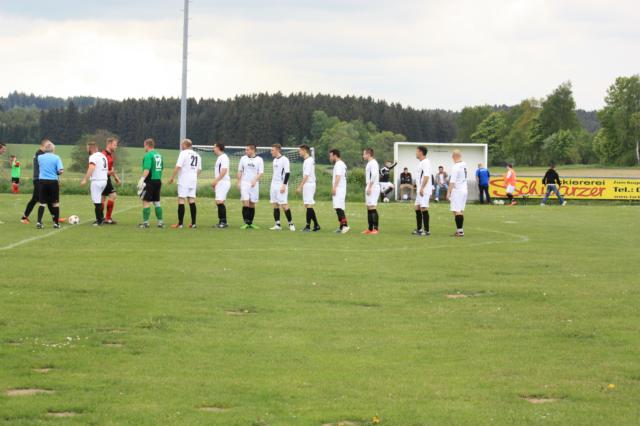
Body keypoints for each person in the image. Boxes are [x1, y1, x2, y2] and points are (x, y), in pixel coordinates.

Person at [168, 139, 202, 228]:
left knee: (181, 199)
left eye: (182, 144)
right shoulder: (197, 155)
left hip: (184, 179)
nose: (181, 146)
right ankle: (193, 223)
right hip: (193, 180)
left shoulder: (183, 153)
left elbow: (178, 166)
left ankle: (180, 224)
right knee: (191, 200)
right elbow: (199, 170)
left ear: (184, 145)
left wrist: (172, 177)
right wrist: (194, 177)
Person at [36, 141, 64, 229]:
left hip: (42, 181)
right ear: (53, 150)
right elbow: (60, 171)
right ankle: (56, 223)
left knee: (42, 203)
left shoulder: (40, 157)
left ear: (45, 149)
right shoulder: (56, 157)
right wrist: (56, 173)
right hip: (53, 182)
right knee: (55, 203)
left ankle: (39, 222)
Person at [137, 138, 164, 228]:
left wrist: (142, 179)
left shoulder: (148, 155)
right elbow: (161, 169)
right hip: (158, 181)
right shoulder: (159, 155)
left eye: (144, 145)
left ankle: (146, 223)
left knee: (146, 201)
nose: (144, 147)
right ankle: (160, 223)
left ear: (147, 145)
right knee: (157, 202)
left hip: (150, 181)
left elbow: (147, 169)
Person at [80, 142, 109, 225]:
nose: (87, 150)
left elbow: (91, 167)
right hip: (104, 180)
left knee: (96, 202)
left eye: (87, 149)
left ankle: (99, 221)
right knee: (98, 200)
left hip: (97, 181)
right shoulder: (103, 156)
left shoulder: (93, 156)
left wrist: (85, 179)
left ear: (91, 148)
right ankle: (101, 218)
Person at [237, 144, 264, 229]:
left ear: (253, 150)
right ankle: (246, 223)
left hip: (254, 184)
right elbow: (240, 171)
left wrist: (255, 180)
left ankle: (250, 223)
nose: (246, 151)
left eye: (247, 150)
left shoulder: (259, 159)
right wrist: (238, 182)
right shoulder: (243, 158)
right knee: (246, 202)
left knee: (252, 203)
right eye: (246, 150)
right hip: (244, 183)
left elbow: (261, 173)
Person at [269, 144, 295, 231]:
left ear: (277, 150)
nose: (271, 152)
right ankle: (277, 224)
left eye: (272, 150)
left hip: (281, 185)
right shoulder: (274, 160)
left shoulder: (284, 159)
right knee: (275, 204)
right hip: (273, 185)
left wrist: (284, 185)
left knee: (284, 205)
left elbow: (287, 173)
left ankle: (291, 224)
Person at [21, 140, 47, 224]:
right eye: (47, 146)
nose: (48, 148)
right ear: (42, 146)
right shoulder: (40, 154)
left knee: (36, 199)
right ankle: (55, 218)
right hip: (39, 179)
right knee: (41, 198)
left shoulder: (41, 154)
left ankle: (24, 217)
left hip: (40, 179)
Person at [296, 144, 320, 232]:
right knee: (307, 205)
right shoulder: (307, 160)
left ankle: (308, 226)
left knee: (309, 205)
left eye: (300, 150)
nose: (299, 152)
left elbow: (306, 175)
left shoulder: (309, 161)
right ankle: (316, 225)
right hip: (308, 184)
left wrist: (300, 187)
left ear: (304, 150)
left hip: (309, 184)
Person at [447, 150, 468, 237]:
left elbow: (452, 181)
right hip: (464, 189)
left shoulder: (455, 167)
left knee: (456, 210)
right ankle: (460, 230)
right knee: (460, 210)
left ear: (454, 156)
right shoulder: (464, 164)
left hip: (458, 190)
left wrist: (448, 192)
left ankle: (460, 231)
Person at [101, 137, 121, 224]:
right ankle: (107, 218)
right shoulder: (103, 155)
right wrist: (109, 173)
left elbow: (111, 168)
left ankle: (101, 218)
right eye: (114, 145)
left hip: (106, 178)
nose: (116, 147)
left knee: (102, 198)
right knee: (113, 195)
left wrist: (116, 177)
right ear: (109, 144)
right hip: (103, 178)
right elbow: (100, 169)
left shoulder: (110, 155)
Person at [412, 146, 432, 236]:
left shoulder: (426, 162)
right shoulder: (421, 162)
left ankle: (427, 231)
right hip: (420, 189)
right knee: (417, 207)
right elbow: (420, 176)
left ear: (420, 152)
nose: (415, 153)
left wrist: (422, 188)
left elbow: (426, 176)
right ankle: (419, 229)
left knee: (424, 208)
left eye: (416, 151)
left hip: (424, 190)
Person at [329, 149, 349, 233]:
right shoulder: (341, 164)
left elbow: (338, 176)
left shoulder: (338, 164)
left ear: (335, 155)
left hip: (339, 189)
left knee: (338, 207)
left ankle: (345, 225)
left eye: (330, 156)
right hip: (341, 188)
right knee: (338, 207)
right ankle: (341, 226)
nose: (330, 158)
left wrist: (334, 188)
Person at [211, 143, 230, 228]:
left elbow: (224, 171)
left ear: (218, 148)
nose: (213, 149)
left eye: (214, 147)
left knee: (219, 201)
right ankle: (221, 221)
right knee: (219, 201)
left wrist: (216, 181)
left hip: (223, 182)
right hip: (220, 182)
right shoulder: (220, 157)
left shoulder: (224, 157)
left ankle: (223, 222)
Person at [362, 148, 380, 234]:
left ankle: (375, 229)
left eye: (364, 154)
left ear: (368, 154)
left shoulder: (373, 163)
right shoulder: (369, 163)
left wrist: (369, 187)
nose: (363, 156)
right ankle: (370, 228)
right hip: (369, 186)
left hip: (373, 187)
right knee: (369, 207)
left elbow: (374, 175)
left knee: (372, 206)